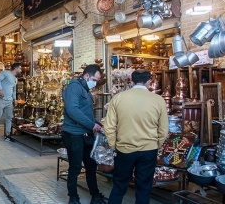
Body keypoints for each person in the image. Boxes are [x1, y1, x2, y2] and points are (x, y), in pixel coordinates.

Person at [104, 70, 168, 204]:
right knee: (144, 187)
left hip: (124, 149)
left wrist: (113, 145)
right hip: (148, 150)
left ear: (131, 81)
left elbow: (109, 126)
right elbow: (163, 129)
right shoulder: (158, 100)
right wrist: (157, 145)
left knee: (119, 185)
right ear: (149, 81)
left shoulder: (118, 98)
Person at [62, 64, 106, 204]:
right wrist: (91, 125)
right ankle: (73, 197)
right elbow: (72, 110)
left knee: (91, 166)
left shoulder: (85, 90)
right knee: (75, 167)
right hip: (74, 134)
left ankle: (95, 195)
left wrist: (97, 123)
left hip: (86, 135)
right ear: (86, 76)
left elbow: (86, 113)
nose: (96, 83)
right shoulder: (74, 87)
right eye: (95, 79)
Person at [0, 63, 21, 142]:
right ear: (16, 68)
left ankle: (7, 135)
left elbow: (14, 90)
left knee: (9, 118)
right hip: (1, 99)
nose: (20, 70)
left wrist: (15, 99)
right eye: (20, 68)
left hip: (9, 101)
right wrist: (0, 89)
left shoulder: (15, 79)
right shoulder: (6, 73)